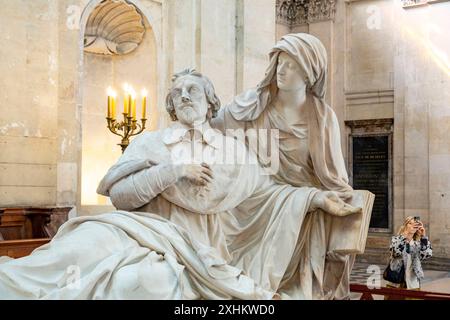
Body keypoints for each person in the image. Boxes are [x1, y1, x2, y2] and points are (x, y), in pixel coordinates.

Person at [0, 69, 359, 300]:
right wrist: (173, 171)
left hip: (187, 248)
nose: (184, 96)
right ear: (171, 104)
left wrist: (315, 198)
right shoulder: (150, 142)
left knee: (138, 281)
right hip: (132, 228)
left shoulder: (232, 151)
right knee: (72, 250)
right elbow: (121, 197)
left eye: (193, 91)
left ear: (209, 102)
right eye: (178, 92)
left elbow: (264, 197)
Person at [212, 33, 359, 299]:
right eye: (280, 61)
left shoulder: (323, 118)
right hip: (255, 201)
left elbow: (336, 179)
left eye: (292, 65)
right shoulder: (252, 107)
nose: (282, 69)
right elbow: (209, 129)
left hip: (304, 215)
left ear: (308, 74)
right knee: (217, 211)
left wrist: (334, 200)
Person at [385, 216, 432, 297]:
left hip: (413, 284)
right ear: (405, 226)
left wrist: (423, 236)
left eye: (415, 224)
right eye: (410, 223)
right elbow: (396, 252)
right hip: (395, 283)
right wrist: (405, 234)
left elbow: (427, 254)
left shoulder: (417, 244)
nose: (413, 226)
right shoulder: (396, 239)